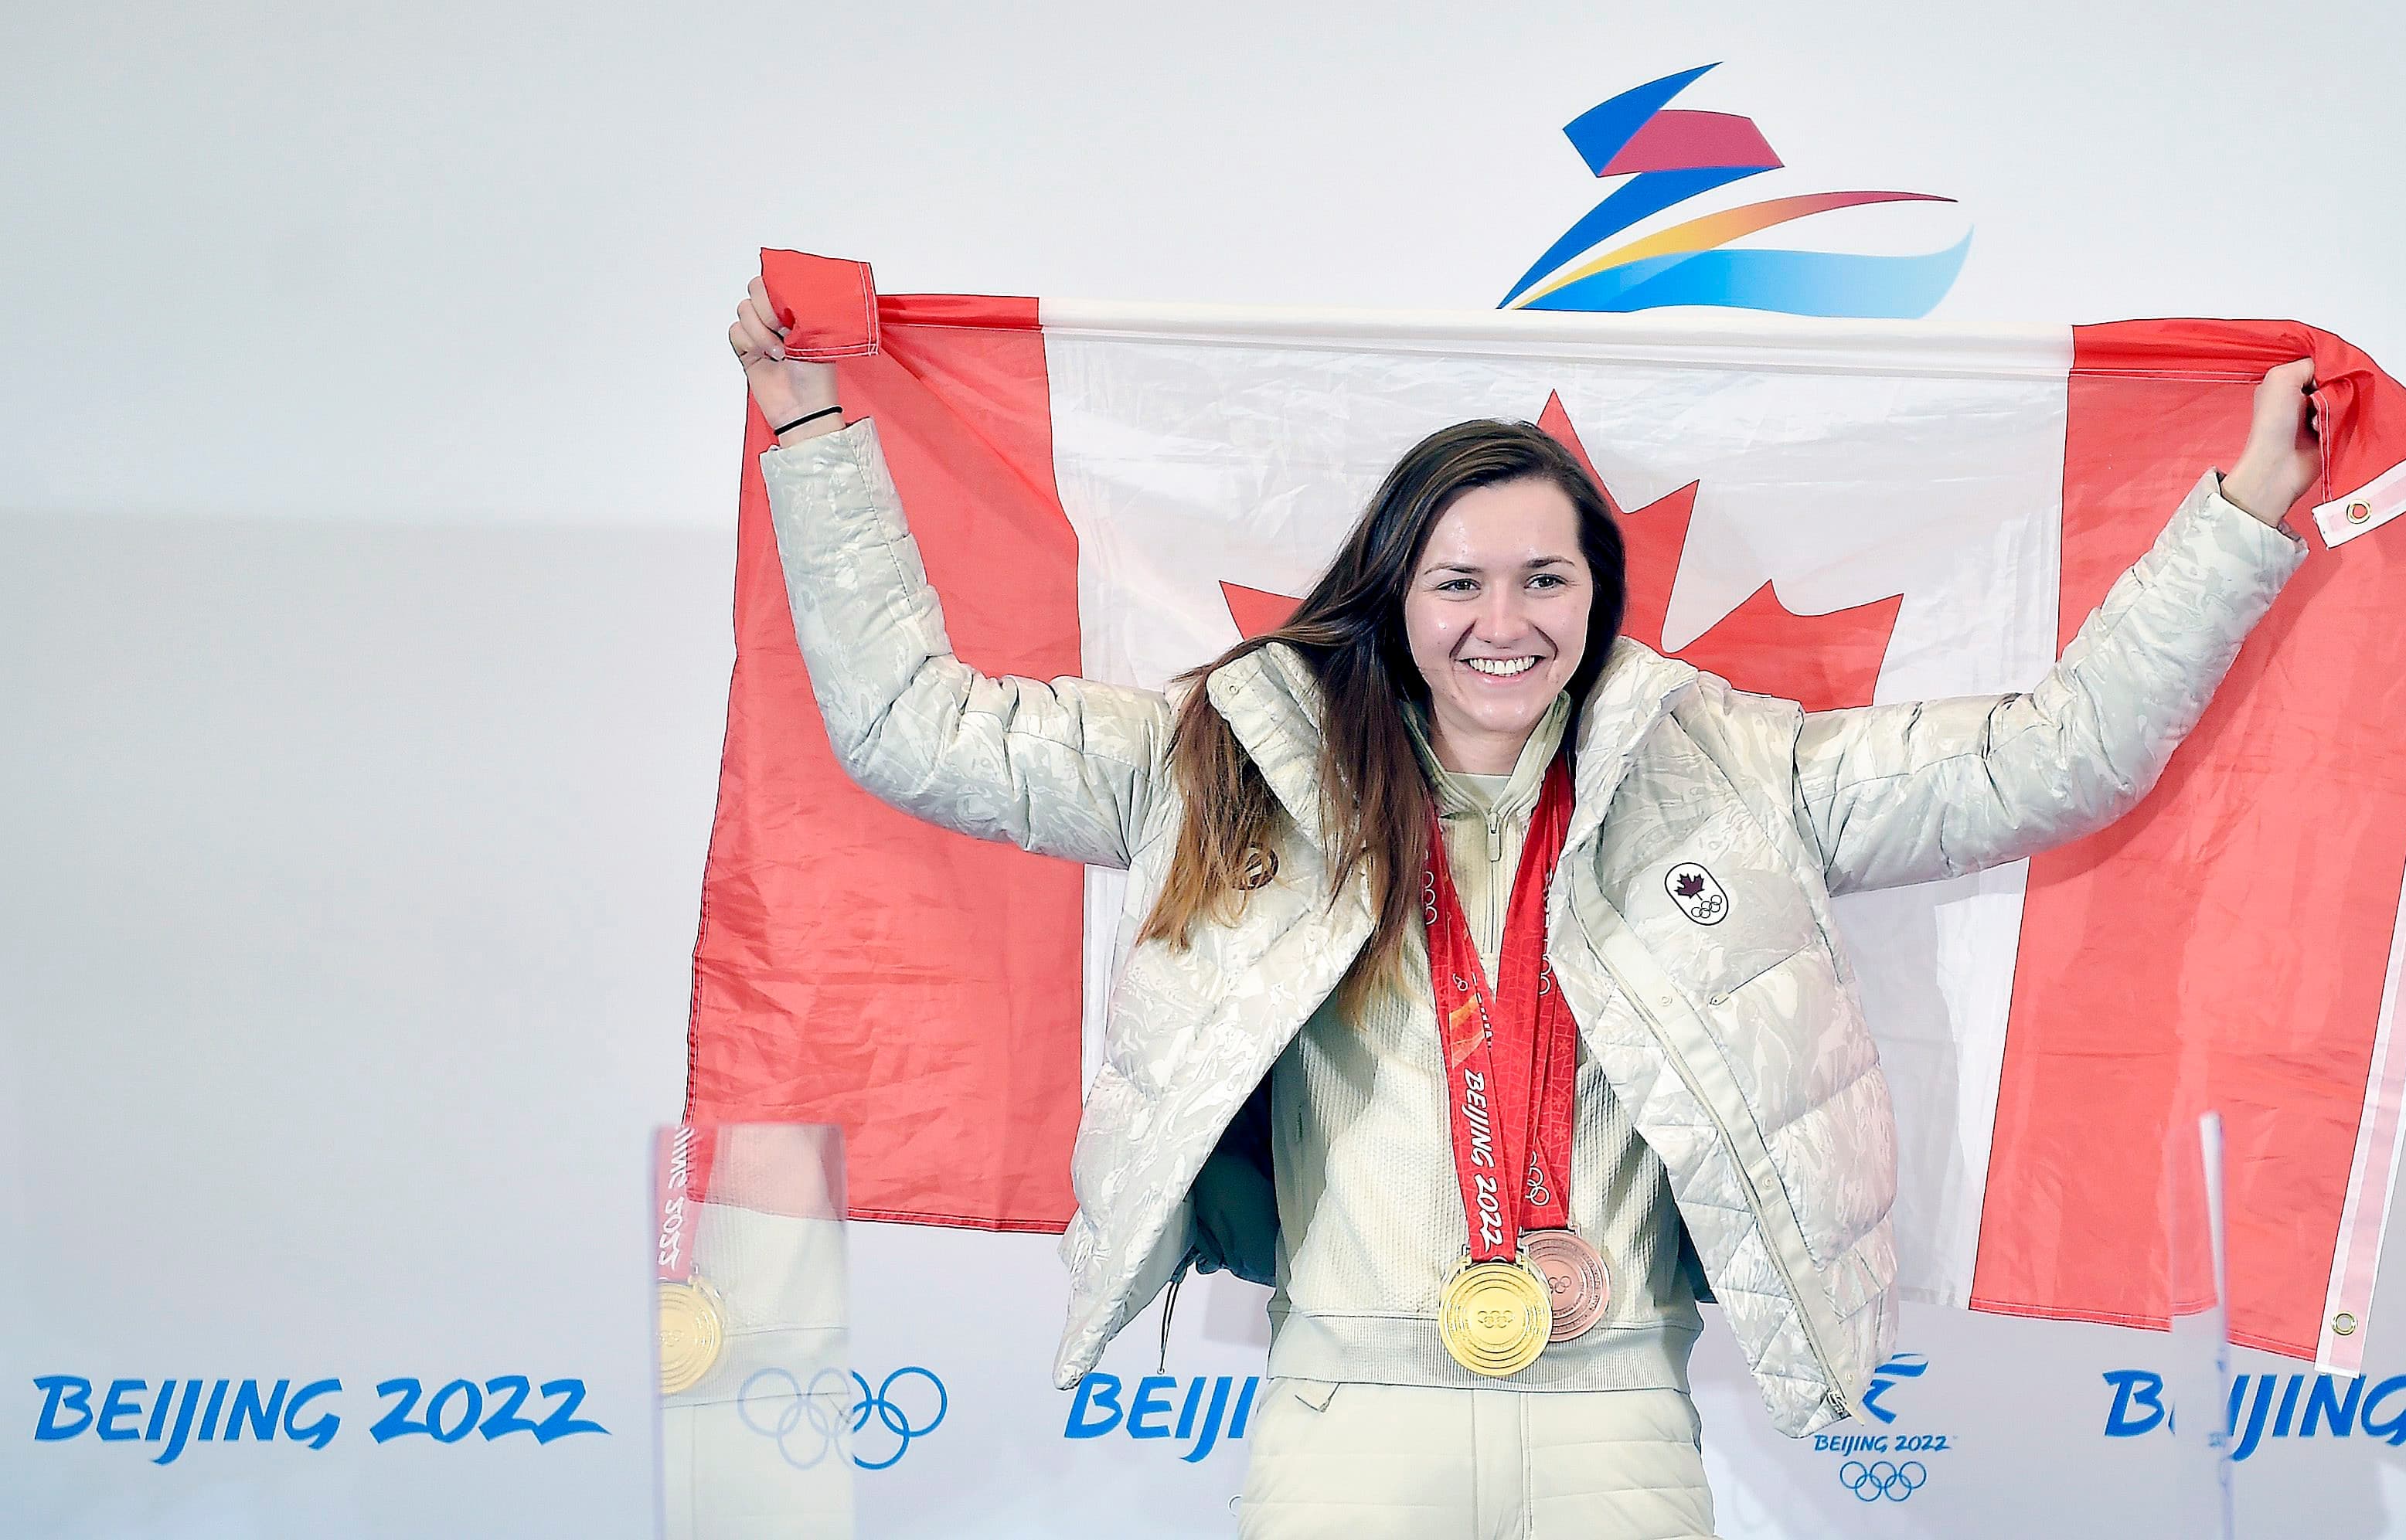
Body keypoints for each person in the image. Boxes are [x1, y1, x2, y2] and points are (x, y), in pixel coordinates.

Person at [728, 275, 2319, 1539]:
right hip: (1344, 1419)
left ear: (1598, 596)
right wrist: (811, 432)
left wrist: (2241, 514)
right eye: (1460, 582)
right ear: (1394, 590)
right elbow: (908, 726)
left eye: (1545, 581)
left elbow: (2053, 759)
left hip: (1609, 1414)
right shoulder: (1224, 759)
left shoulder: (1733, 768)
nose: (1505, 621)